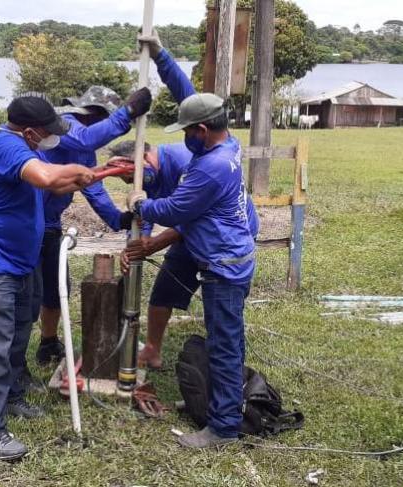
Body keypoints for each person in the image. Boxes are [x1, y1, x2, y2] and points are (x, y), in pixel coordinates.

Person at [126, 30, 258, 448]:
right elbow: (191, 95)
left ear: (202, 131)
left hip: (223, 264)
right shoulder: (225, 143)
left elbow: (173, 210)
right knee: (228, 338)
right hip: (227, 254)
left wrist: (140, 204)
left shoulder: (208, 168)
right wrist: (162, 55)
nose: (182, 135)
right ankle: (223, 402)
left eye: (187, 130)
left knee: (223, 344)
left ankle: (222, 428)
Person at [0, 95, 95, 461]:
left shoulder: (25, 147)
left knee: (19, 330)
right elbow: (48, 176)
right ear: (31, 132)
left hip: (19, 260)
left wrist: (98, 173)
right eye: (48, 134)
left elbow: (54, 186)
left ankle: (13, 393)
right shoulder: (5, 145)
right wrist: (73, 172)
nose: (53, 139)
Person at [109, 141, 258, 371]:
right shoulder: (148, 174)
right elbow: (144, 206)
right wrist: (137, 241)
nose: (130, 184)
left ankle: (229, 371)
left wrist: (155, 243)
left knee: (223, 309)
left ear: (145, 161)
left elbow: (188, 214)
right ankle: (152, 350)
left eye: (130, 179)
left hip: (220, 238)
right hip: (191, 231)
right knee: (163, 291)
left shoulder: (185, 163)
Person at [32, 85, 152, 369]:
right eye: (106, 121)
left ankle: (47, 342)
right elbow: (86, 139)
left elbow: (94, 189)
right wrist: (128, 113)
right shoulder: (66, 127)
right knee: (26, 291)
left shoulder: (84, 152)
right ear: (96, 115)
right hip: (27, 222)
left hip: (50, 224)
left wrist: (117, 219)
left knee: (54, 287)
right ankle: (16, 351)